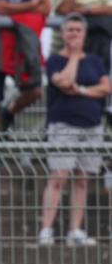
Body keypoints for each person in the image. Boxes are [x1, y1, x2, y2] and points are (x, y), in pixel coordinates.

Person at [39, 14, 109, 246]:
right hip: (64, 125)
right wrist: (75, 57)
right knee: (59, 177)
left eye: (78, 30)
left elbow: (105, 87)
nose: (75, 34)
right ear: (63, 33)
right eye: (70, 30)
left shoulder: (96, 61)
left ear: (85, 33)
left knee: (82, 179)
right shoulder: (55, 61)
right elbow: (63, 82)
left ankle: (74, 230)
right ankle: (47, 229)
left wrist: (81, 90)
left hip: (92, 126)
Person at [0, 0, 50, 131]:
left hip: (23, 46)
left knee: (34, 90)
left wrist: (14, 9)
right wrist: (31, 5)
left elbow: (46, 8)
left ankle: (7, 115)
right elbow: (0, 7)